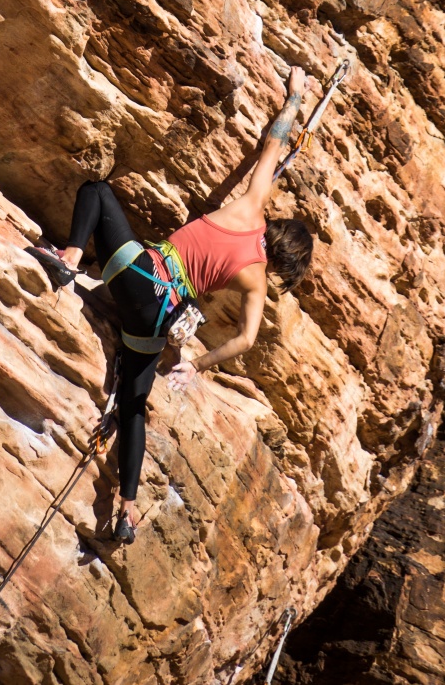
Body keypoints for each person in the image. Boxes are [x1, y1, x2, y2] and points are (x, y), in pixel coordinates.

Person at [31, 66, 314, 544]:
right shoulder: (257, 285)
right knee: (134, 407)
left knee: (97, 192)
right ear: (286, 264)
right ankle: (127, 509)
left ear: (277, 227)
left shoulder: (251, 210)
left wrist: (295, 96)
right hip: (158, 321)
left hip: (141, 276)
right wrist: (197, 365)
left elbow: (274, 143)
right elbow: (244, 340)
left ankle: (71, 257)